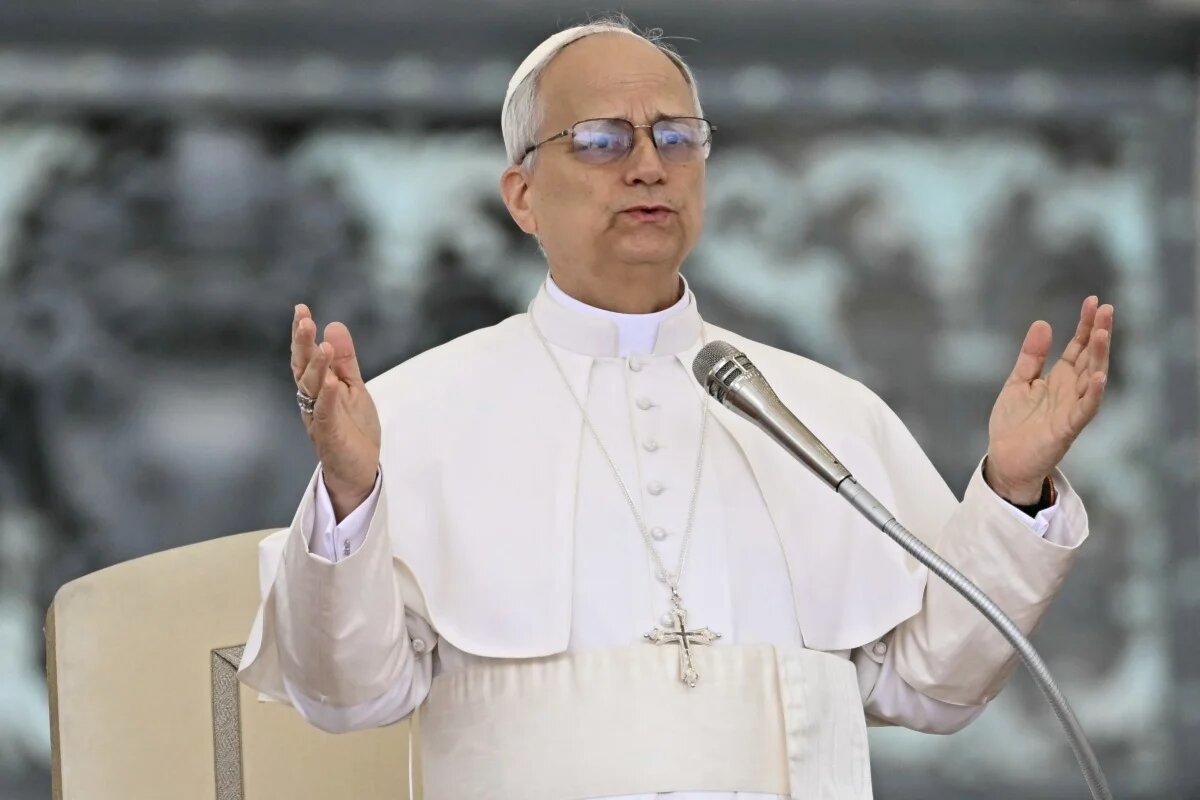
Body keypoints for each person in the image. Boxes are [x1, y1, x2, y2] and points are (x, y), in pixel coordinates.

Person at [238, 17, 1112, 799]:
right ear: (522, 196)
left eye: (676, 137)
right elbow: (346, 696)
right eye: (601, 139)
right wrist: (350, 496)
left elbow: (933, 683)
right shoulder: (416, 414)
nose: (648, 166)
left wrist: (1012, 491)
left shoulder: (819, 411)